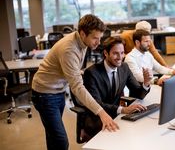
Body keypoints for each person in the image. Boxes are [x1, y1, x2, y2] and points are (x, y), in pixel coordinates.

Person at [31, 14, 119, 150]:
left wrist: (77, 72)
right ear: (83, 33)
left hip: (58, 91)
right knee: (60, 141)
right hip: (45, 94)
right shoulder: (69, 49)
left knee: (53, 136)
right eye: (95, 38)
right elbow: (77, 87)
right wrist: (101, 112)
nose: (98, 42)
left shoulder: (82, 41)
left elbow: (72, 67)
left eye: (100, 38)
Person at [81, 36, 152, 139]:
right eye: (115, 53)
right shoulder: (92, 73)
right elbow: (96, 103)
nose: (120, 57)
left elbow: (137, 93)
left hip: (117, 114)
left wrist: (146, 83)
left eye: (122, 53)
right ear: (106, 53)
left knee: (141, 131)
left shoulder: (124, 67)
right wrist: (123, 110)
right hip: (97, 117)